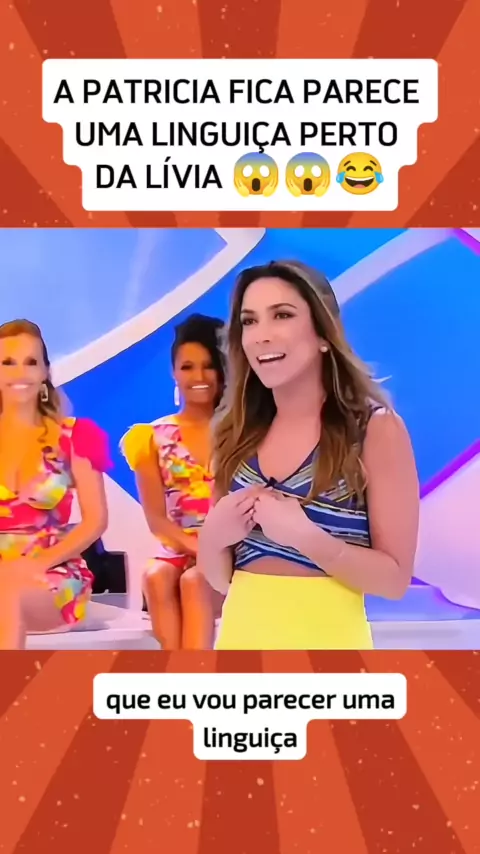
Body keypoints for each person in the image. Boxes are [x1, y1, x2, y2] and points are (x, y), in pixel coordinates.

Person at [197, 261, 420, 650]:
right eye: (250, 321)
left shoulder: (373, 429)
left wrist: (307, 538)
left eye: (282, 315)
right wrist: (212, 538)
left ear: (323, 334)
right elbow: (221, 580)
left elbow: (394, 580)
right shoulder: (237, 435)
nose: (262, 335)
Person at [0, 319, 111, 649]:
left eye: (31, 362)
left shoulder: (75, 436)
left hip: (52, 571)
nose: (20, 372)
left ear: (45, 372)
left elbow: (95, 521)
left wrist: (34, 564)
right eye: (8, 362)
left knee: (7, 592)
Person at [120, 313, 226, 650]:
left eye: (208, 366)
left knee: (194, 581)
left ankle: (190, 678)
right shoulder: (150, 437)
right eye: (187, 367)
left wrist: (214, 553)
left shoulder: (241, 432)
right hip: (180, 546)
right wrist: (196, 549)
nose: (199, 377)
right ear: (174, 373)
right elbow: (157, 520)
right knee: (156, 577)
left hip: (233, 549)